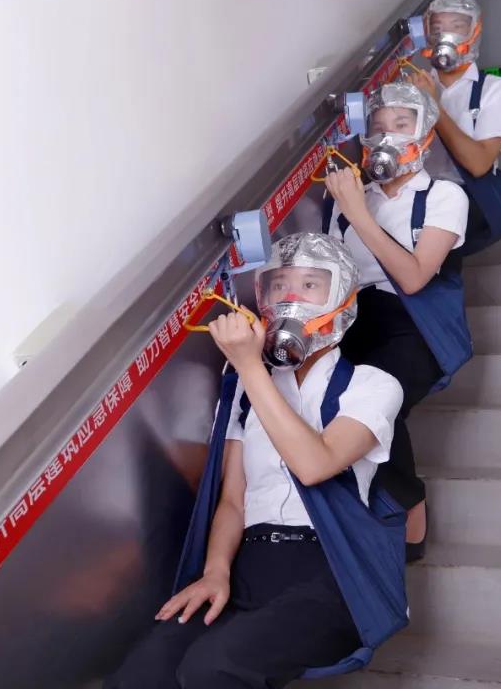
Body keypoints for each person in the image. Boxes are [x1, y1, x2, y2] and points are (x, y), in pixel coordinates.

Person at [104, 233, 404, 689]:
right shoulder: (247, 393)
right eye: (279, 285)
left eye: (309, 285)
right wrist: (215, 573)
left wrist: (248, 365)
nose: (290, 298)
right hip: (250, 563)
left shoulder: (372, 385)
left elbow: (315, 465)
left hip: (331, 571)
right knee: (143, 673)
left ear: (343, 297)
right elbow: (233, 500)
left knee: (212, 667)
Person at [323, 81, 471, 562]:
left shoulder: (443, 195)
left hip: (414, 323)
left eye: (402, 125)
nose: (388, 136)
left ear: (425, 135)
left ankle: (410, 516)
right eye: (379, 127)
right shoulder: (349, 200)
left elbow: (413, 278)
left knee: (379, 397)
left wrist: (358, 213)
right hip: (354, 320)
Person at [414, 0, 501, 187]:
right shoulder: (414, 87)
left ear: (475, 32)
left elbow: (479, 165)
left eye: (457, 27)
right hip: (421, 196)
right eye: (437, 29)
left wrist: (433, 106)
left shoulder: (495, 88)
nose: (445, 36)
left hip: (469, 196)